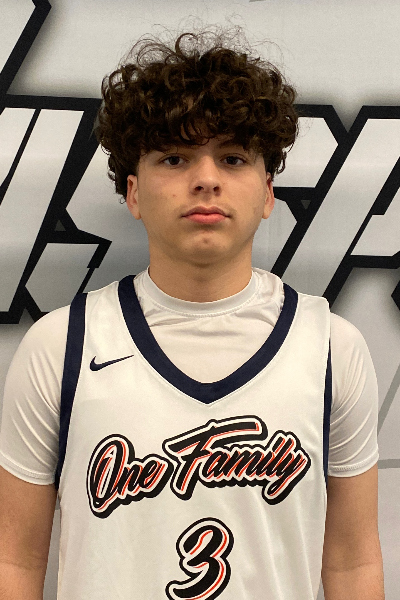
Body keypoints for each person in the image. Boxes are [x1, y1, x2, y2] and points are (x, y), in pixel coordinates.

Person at [0, 29, 384, 600]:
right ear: (133, 193)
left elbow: (352, 564)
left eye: (233, 158)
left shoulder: (331, 347)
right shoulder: (61, 346)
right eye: (174, 158)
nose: (206, 179)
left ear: (267, 192)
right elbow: (15, 560)